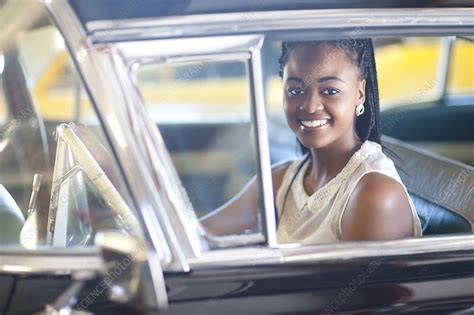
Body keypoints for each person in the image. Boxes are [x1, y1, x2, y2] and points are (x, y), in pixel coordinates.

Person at [200, 39, 422, 244]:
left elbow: (353, 288)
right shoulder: (283, 180)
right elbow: (200, 235)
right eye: (296, 90)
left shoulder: (374, 194)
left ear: (360, 93)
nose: (310, 106)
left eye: (330, 90)